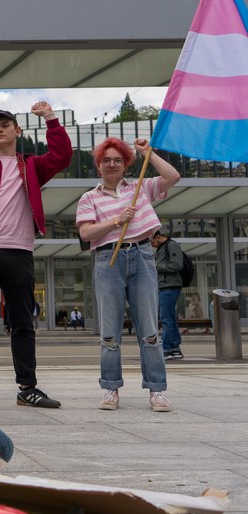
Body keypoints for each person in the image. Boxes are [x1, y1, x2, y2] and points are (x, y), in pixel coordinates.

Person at [0, 102, 72, 409]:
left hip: (19, 250)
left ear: (17, 131)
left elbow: (62, 156)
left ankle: (27, 388)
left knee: (22, 321)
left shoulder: (32, 166)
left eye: (4, 125)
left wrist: (50, 118)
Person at [75, 137, 180, 412]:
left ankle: (157, 390)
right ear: (98, 165)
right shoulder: (89, 198)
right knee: (110, 331)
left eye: (117, 160)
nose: (111, 164)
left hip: (142, 255)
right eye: (106, 160)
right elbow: (85, 233)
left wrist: (149, 153)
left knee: (149, 330)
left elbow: (172, 176)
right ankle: (111, 388)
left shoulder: (140, 188)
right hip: (107, 259)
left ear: (126, 164)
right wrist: (116, 220)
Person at [150, 230, 184, 359]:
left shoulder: (172, 245)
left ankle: (167, 348)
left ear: (158, 237)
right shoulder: (163, 247)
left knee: (166, 319)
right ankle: (174, 348)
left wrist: (156, 266)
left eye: (152, 241)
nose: (151, 244)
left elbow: (177, 264)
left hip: (169, 286)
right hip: (166, 285)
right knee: (169, 318)